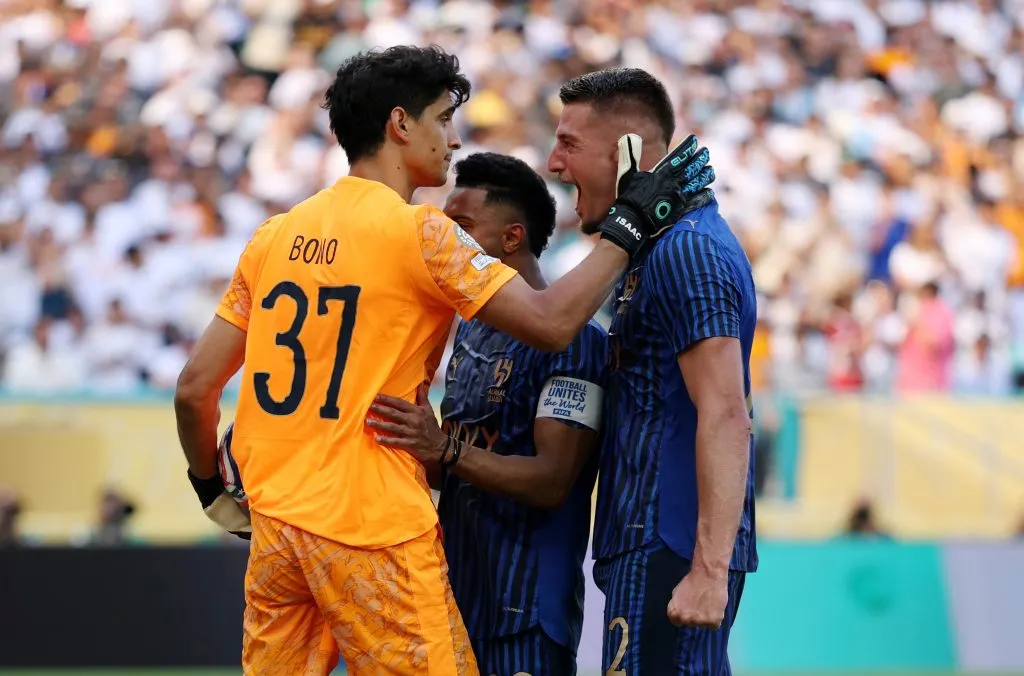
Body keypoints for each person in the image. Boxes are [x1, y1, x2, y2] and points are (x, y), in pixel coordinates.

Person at [173, 46, 713, 674]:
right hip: (372, 524)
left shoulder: (272, 237)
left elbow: (193, 388)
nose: (452, 141)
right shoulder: (421, 233)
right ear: (401, 126)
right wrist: (632, 221)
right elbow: (551, 322)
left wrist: (211, 487)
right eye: (442, 120)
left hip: (275, 529)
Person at [547, 67, 758, 674]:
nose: (555, 164)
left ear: (630, 154)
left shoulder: (689, 250)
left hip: (669, 547)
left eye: (570, 144)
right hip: (644, 543)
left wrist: (708, 570)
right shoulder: (655, 249)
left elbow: (725, 411)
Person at [367, 152, 606, 675]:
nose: (445, 238)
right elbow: (449, 462)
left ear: (511, 239)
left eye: (462, 226)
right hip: (453, 599)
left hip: (525, 613)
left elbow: (552, 481)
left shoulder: (576, 344)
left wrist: (443, 449)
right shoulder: (470, 330)